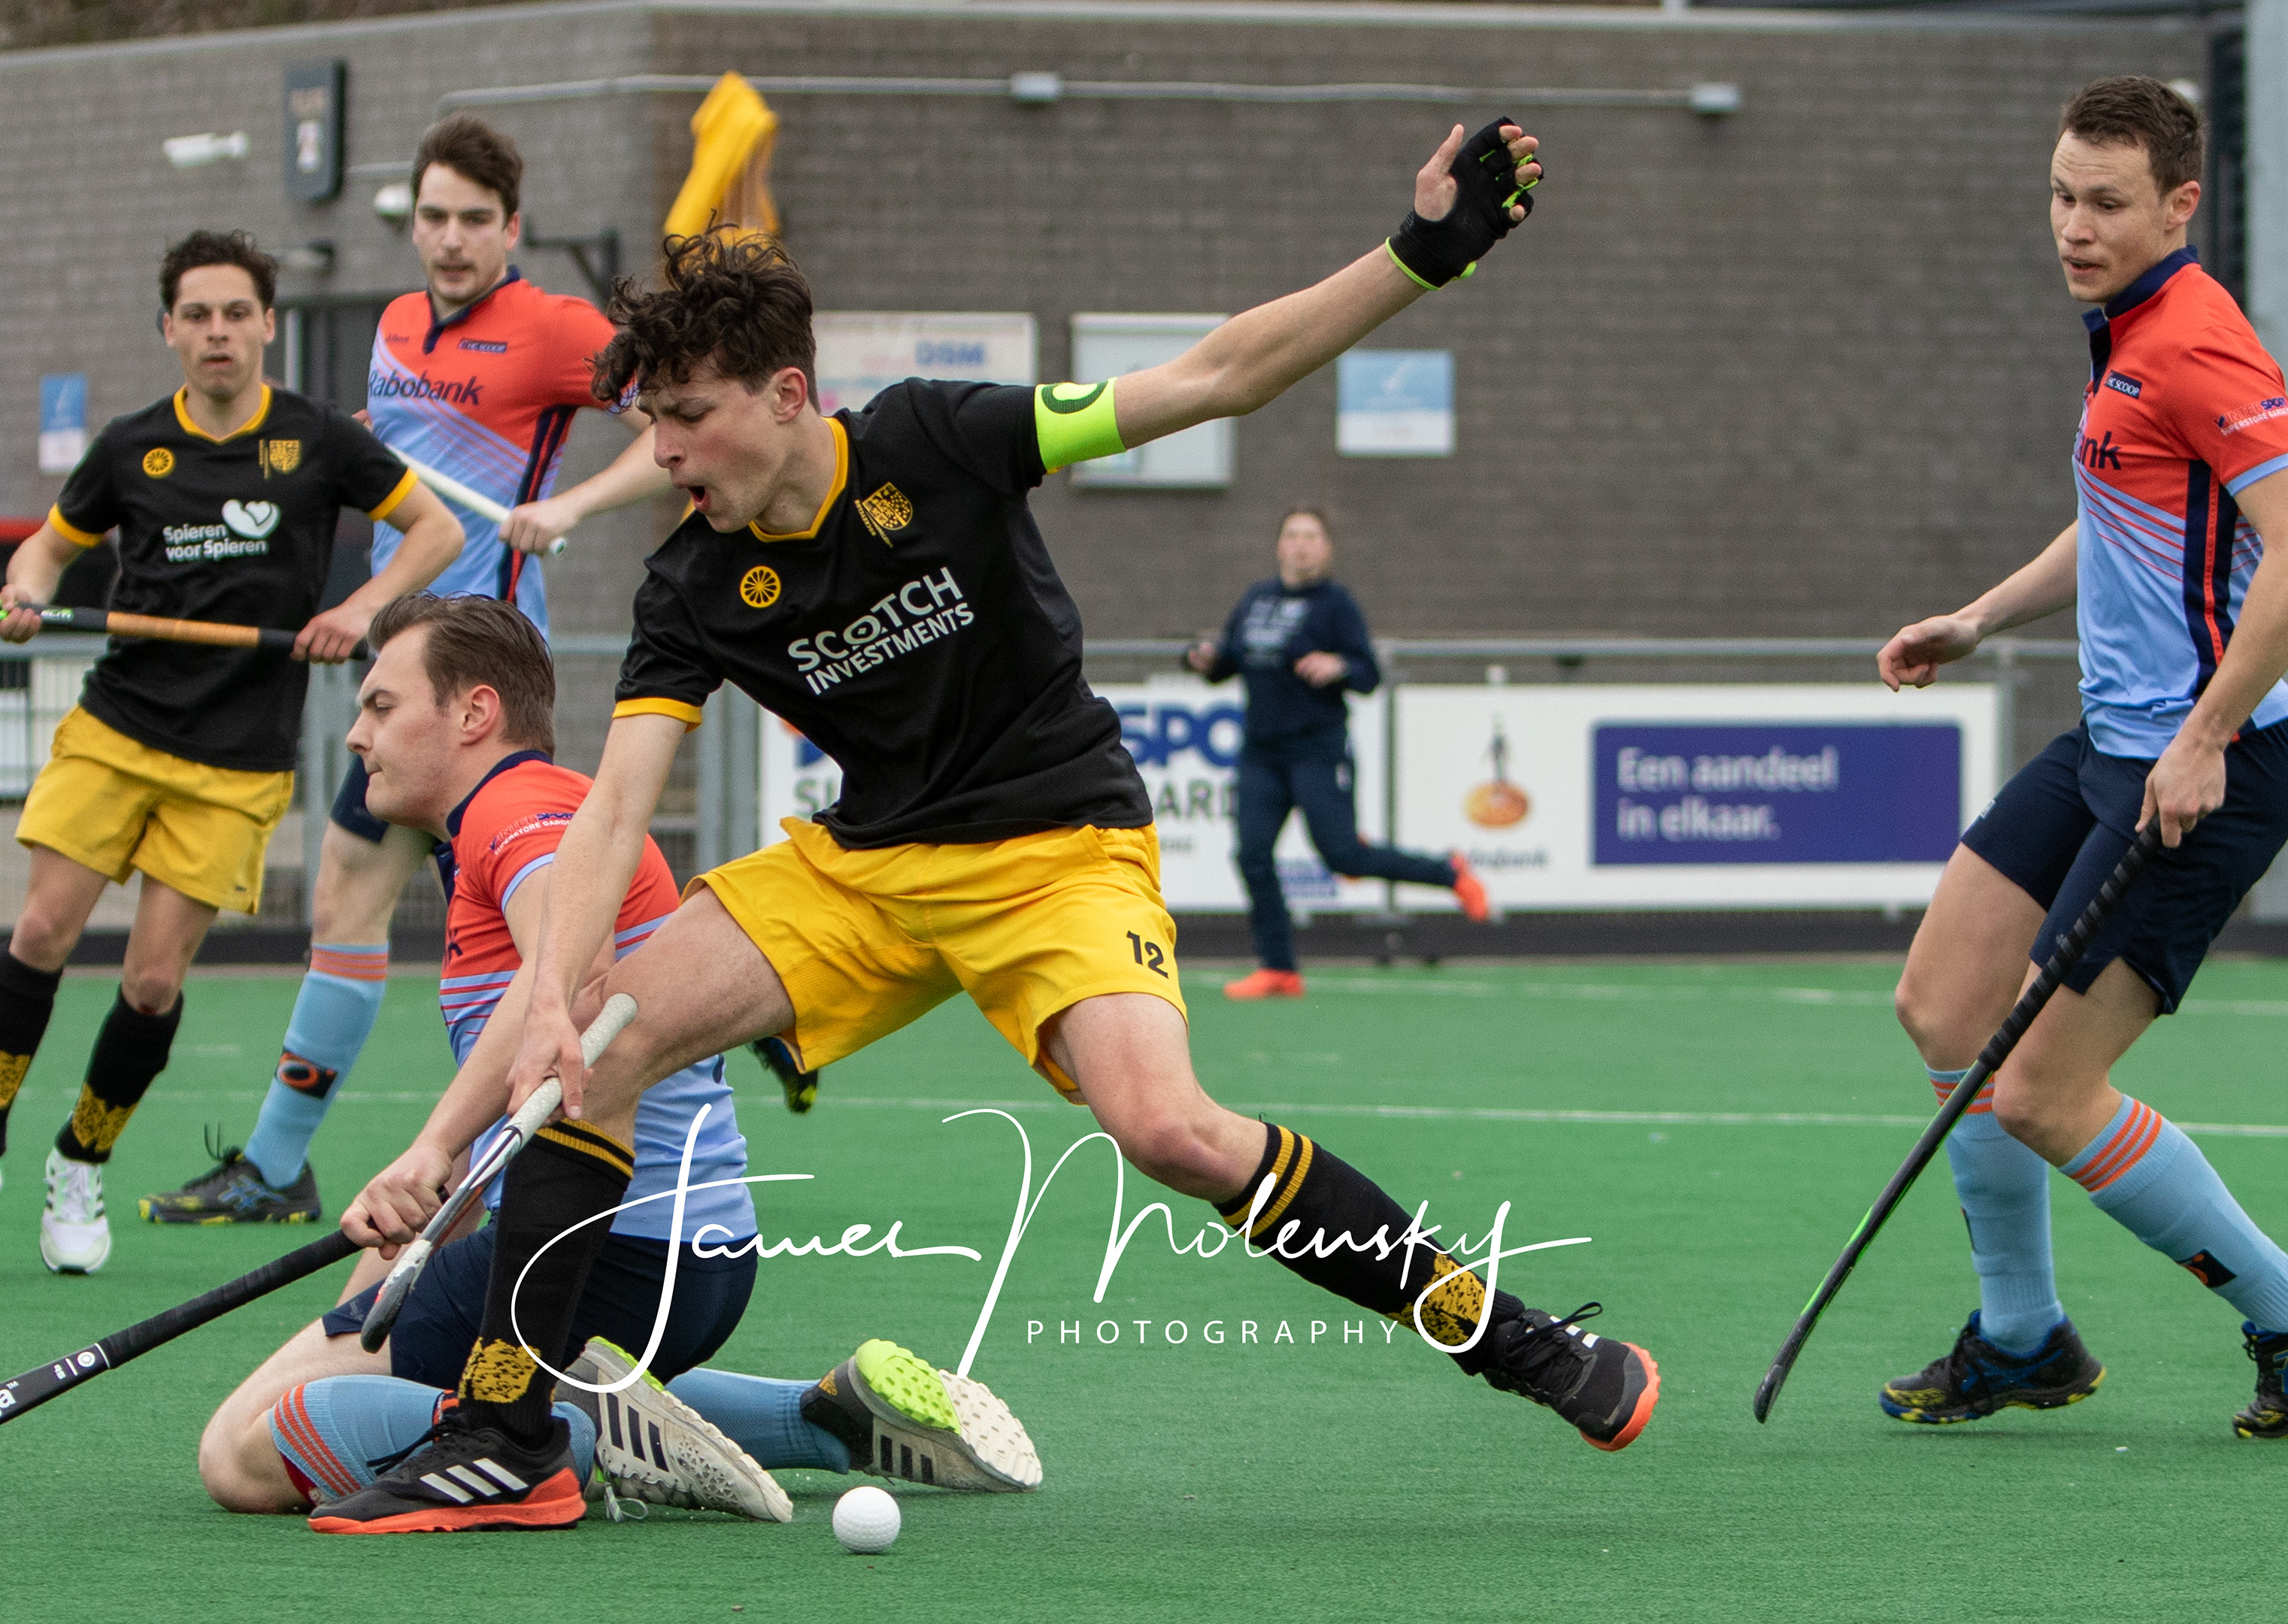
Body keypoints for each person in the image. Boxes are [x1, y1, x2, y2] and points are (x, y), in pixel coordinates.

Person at [321, 116, 1666, 1539]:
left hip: (1055, 848)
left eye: (689, 416)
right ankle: (505, 1436)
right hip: (866, 869)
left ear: (787, 393)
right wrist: (549, 1000)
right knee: (595, 1053)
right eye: (650, 422)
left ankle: (1509, 1336)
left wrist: (1419, 257)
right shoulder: (693, 585)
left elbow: (1214, 377)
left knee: (1174, 1133)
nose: (663, 452)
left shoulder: (942, 439)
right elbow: (613, 816)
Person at [189, 595, 1038, 1526]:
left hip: (605, 1253)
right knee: (361, 1341)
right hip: (687, 1259)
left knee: (241, 1452)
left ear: (474, 714)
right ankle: (821, 1417)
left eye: (382, 706)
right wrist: (401, 1242)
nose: (357, 735)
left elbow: (575, 967)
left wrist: (431, 1145)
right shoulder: (511, 820)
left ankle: (557, 1435)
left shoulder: (519, 805)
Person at [1874, 77, 2288, 1440]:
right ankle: (2024, 1339)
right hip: (2113, 745)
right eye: (2060, 195)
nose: (2074, 226)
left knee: (2043, 1093)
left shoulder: (2199, 342)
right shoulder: (2127, 337)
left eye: (2105, 202)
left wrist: (2206, 734)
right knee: (1943, 1005)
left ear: (2178, 206)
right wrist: (1980, 617)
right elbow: (2119, 508)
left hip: (2212, 772)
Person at [0, 230, 465, 1274]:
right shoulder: (130, 447)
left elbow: (436, 531)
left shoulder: (317, 440)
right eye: (197, 315)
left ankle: (81, 1162)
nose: (218, 333)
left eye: (236, 313)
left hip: (239, 757)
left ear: (267, 325)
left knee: (154, 982)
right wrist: (26, 592)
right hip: (117, 728)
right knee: (41, 929)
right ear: (169, 329)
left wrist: (361, 609)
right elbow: (48, 548)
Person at [144, 114, 671, 1225]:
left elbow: (674, 427)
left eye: (475, 220)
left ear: (512, 228)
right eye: (434, 217)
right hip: (406, 665)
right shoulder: (394, 325)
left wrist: (571, 504)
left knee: (527, 931)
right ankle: (291, 1164)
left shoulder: (552, 328)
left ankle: (558, 1157)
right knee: (362, 894)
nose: (451, 239)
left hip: (483, 685)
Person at [1186, 504, 1488, 998]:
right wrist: (1203, 659)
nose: (1301, 545)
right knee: (1252, 855)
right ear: (1279, 545)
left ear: (1326, 548)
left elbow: (1368, 675)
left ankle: (1448, 872)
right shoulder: (1257, 599)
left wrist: (1339, 665)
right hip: (1262, 753)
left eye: (1312, 536)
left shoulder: (1336, 605)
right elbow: (1228, 663)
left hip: (1317, 749)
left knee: (1343, 855)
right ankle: (1279, 968)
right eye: (1293, 535)